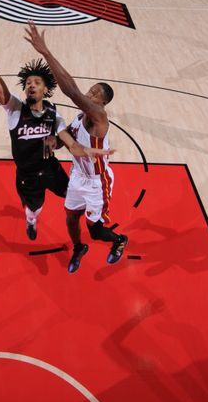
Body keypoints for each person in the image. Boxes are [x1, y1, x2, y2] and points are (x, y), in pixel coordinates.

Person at [0, 14, 113, 240]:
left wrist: (86, 150)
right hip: (28, 175)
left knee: (73, 201)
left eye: (37, 82)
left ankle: (91, 227)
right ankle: (31, 218)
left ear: (46, 89)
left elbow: (71, 144)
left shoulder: (55, 115)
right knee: (35, 209)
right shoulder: (14, 109)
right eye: (28, 83)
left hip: (51, 170)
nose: (31, 85)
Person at [24, 21, 129, 273]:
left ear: (102, 101)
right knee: (70, 217)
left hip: (96, 180)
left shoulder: (99, 116)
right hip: (78, 177)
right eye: (90, 91)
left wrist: (46, 53)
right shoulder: (79, 118)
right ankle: (78, 248)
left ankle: (119, 240)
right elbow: (65, 140)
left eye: (94, 93)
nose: (89, 94)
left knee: (96, 230)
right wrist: (53, 141)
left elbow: (71, 91)